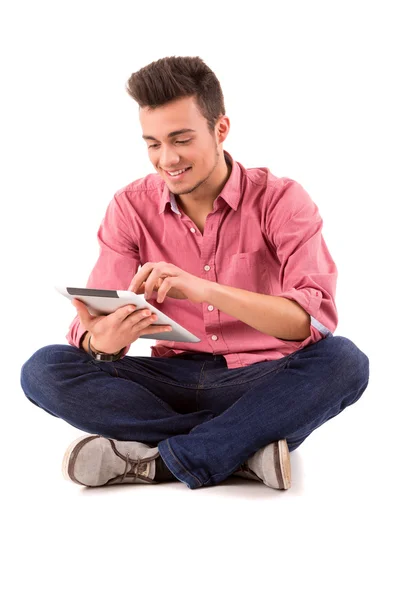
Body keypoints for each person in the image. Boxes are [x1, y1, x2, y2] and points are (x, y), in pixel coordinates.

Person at [20, 56, 369, 491]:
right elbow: (96, 314)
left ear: (220, 129)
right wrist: (102, 343)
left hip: (260, 378)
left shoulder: (281, 200)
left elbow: (310, 322)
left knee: (344, 362)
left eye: (181, 139)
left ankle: (158, 462)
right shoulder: (130, 207)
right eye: (153, 143)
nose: (166, 159)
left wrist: (206, 289)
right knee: (45, 369)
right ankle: (243, 444)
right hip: (171, 379)